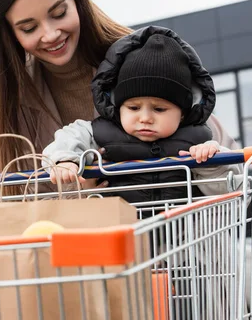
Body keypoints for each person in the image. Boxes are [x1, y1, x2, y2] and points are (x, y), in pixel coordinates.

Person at [0, 0, 239, 189]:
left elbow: (220, 162)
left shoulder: (139, 60)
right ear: (10, 33)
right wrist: (84, 196)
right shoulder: (17, 99)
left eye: (59, 13)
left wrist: (209, 163)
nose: (50, 34)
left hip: (175, 228)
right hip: (83, 232)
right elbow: (30, 201)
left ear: (77, 1)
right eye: (29, 28)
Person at [42, 25, 240, 200]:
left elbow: (229, 190)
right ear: (117, 106)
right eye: (133, 108)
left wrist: (211, 162)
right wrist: (65, 159)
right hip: (121, 231)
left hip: (181, 234)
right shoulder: (101, 132)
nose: (145, 118)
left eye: (159, 109)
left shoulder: (196, 141)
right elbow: (70, 136)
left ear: (182, 113)